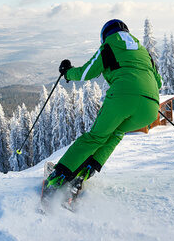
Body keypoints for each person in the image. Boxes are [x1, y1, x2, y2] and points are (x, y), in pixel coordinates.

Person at [43, 19, 162, 197]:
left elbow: (86, 72)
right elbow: (158, 82)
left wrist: (67, 72)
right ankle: (84, 172)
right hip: (150, 108)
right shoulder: (143, 51)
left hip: (122, 98)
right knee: (116, 133)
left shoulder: (108, 46)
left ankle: (58, 178)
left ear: (105, 35)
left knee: (95, 138)